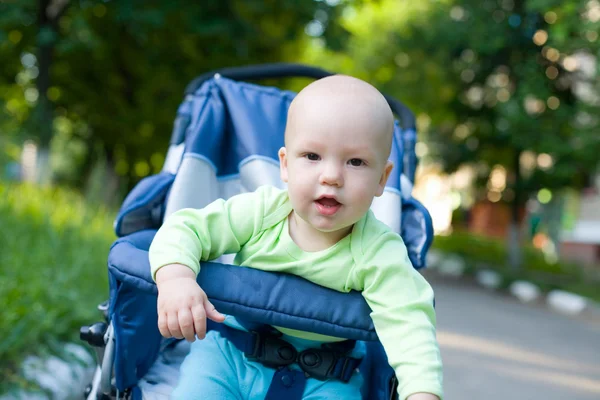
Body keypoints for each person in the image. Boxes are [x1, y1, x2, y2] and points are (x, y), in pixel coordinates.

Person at [149, 75, 443, 400]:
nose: (331, 176)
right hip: (229, 357)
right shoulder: (261, 212)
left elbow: (409, 321)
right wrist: (176, 277)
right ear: (285, 166)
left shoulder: (379, 250)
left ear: (382, 180)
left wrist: (422, 393)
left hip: (329, 375)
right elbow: (185, 228)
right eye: (313, 157)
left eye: (356, 162)